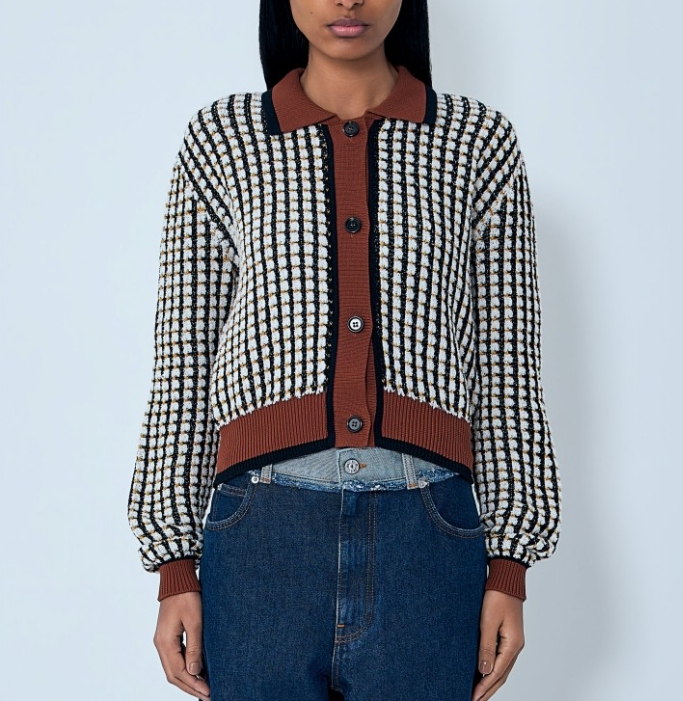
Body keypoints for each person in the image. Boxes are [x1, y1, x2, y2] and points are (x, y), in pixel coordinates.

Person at [127, 1, 563, 700]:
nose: (348, 0)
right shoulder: (224, 139)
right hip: (262, 536)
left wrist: (510, 567)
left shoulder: (477, 141)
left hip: (428, 535)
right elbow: (183, 354)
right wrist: (173, 566)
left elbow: (509, 362)